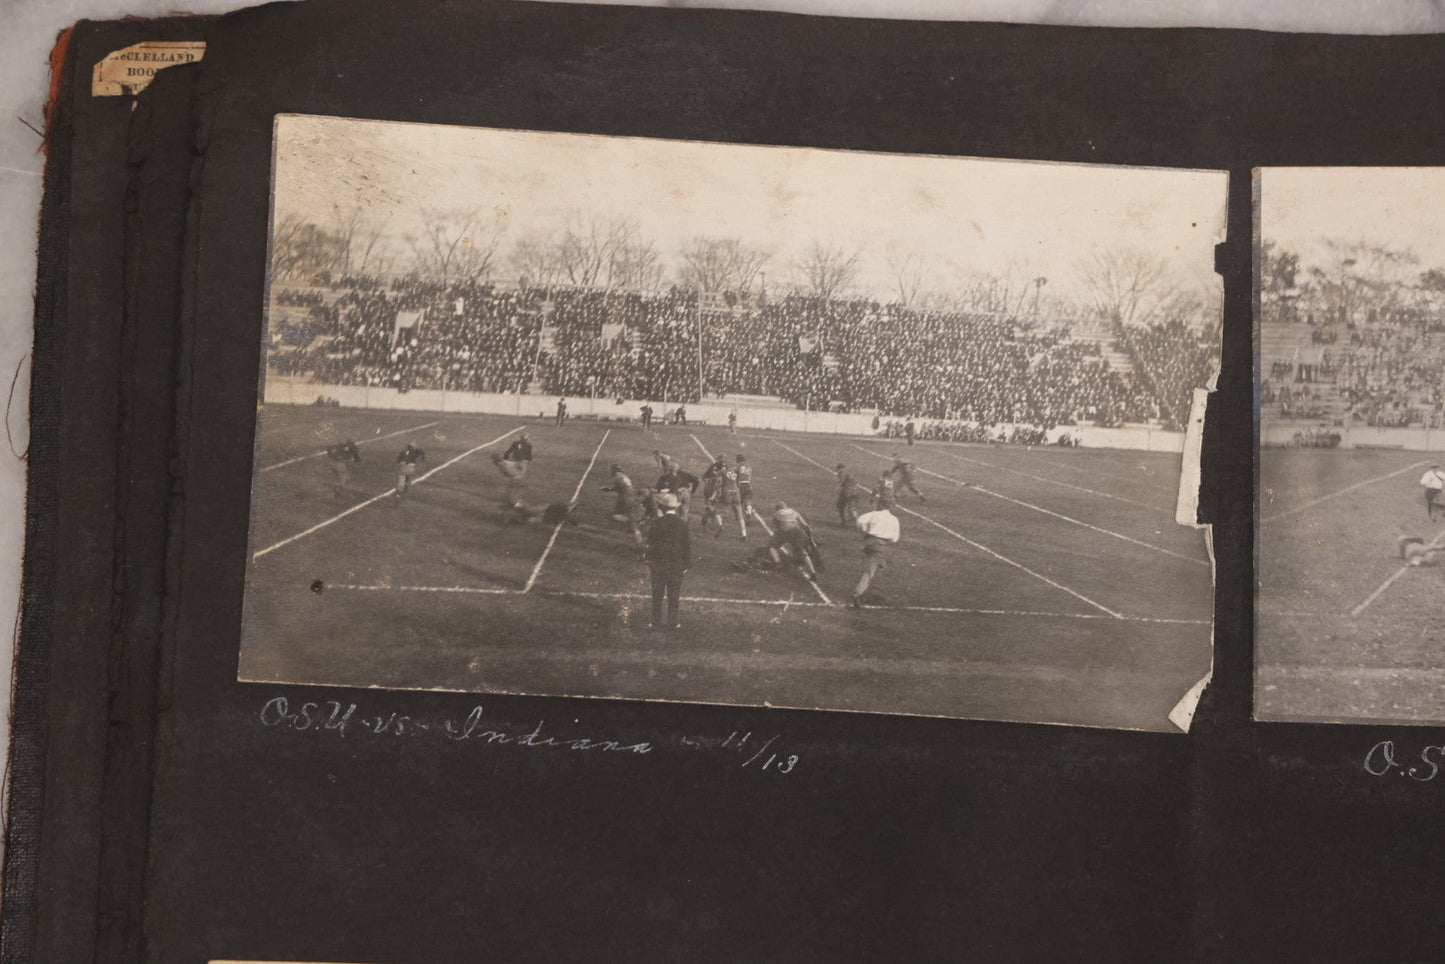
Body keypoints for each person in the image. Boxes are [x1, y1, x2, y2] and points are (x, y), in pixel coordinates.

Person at [645, 492, 691, 630]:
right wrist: (686, 564)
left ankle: (655, 621)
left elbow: (651, 543)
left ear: (662, 508)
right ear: (675, 508)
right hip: (676, 564)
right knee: (674, 594)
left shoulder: (656, 523)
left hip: (659, 563)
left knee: (657, 594)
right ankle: (673, 622)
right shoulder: (682, 524)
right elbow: (686, 546)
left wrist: (649, 560)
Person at [849, 504, 901, 608]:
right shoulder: (894, 519)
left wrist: (866, 529)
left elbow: (859, 521)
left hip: (868, 542)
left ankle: (871, 590)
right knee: (870, 570)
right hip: (879, 546)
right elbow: (895, 538)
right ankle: (857, 593)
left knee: (878, 566)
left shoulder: (873, 514)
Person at [763, 500, 818, 581]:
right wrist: (810, 539)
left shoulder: (777, 513)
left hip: (784, 530)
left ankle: (777, 563)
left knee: (771, 546)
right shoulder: (794, 512)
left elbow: (774, 528)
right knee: (801, 551)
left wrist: (777, 539)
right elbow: (806, 526)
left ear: (778, 508)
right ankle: (813, 573)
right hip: (798, 531)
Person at [601, 464, 648, 559]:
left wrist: (610, 489)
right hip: (631, 498)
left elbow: (619, 489)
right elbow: (624, 488)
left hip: (625, 500)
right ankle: (634, 524)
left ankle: (641, 548)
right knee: (617, 516)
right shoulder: (624, 477)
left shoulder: (617, 477)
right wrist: (610, 489)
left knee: (616, 517)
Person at [655, 458, 700, 522]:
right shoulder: (685, 474)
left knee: (673, 510)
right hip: (686, 493)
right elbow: (696, 480)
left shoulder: (669, 476)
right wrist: (692, 491)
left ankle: (673, 524)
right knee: (684, 511)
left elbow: (663, 488)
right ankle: (683, 525)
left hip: (677, 493)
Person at [735, 453, 754, 518]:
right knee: (748, 499)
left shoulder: (738, 466)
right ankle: (749, 512)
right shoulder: (749, 466)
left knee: (741, 502)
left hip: (741, 485)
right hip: (748, 484)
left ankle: (744, 514)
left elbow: (735, 475)